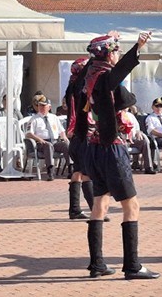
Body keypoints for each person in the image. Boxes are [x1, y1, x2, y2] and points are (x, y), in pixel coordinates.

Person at [80, 31, 159, 279]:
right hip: (111, 148)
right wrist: (138, 47)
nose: (116, 54)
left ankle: (97, 265)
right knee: (131, 205)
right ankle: (133, 266)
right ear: (107, 53)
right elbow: (121, 82)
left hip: (93, 147)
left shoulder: (88, 75)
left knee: (99, 203)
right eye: (114, 50)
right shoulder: (104, 78)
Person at [65, 57, 97, 220]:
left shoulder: (71, 86)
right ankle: (96, 210)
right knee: (86, 173)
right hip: (82, 134)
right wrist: (96, 57)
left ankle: (75, 209)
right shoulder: (77, 87)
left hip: (76, 136)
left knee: (77, 172)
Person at [25, 95, 70, 181]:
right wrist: (39, 139)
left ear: (49, 107)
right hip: (42, 143)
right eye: (40, 105)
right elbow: (28, 134)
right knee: (48, 145)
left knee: (66, 145)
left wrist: (64, 137)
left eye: (43, 106)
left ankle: (71, 169)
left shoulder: (54, 117)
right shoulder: (34, 119)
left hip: (55, 141)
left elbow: (61, 131)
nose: (41, 107)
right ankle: (50, 171)